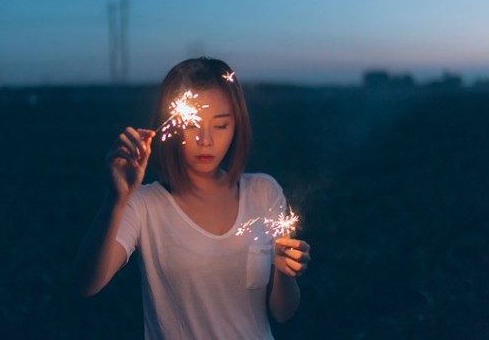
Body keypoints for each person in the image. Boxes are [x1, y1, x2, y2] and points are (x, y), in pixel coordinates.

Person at [74, 57, 311, 339]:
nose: (206, 139)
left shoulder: (263, 191)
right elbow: (86, 284)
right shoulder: (145, 205)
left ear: (238, 127)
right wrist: (116, 199)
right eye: (193, 124)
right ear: (172, 125)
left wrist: (286, 272)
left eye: (221, 126)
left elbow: (283, 312)